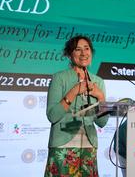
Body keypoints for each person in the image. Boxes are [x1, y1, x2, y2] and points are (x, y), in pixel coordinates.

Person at [44, 35, 109, 177]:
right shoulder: (59, 78)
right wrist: (74, 91)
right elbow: (53, 116)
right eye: (78, 49)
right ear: (69, 54)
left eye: (87, 49)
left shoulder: (98, 81)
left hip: (88, 147)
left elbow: (102, 122)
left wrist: (101, 97)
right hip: (63, 146)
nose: (84, 53)